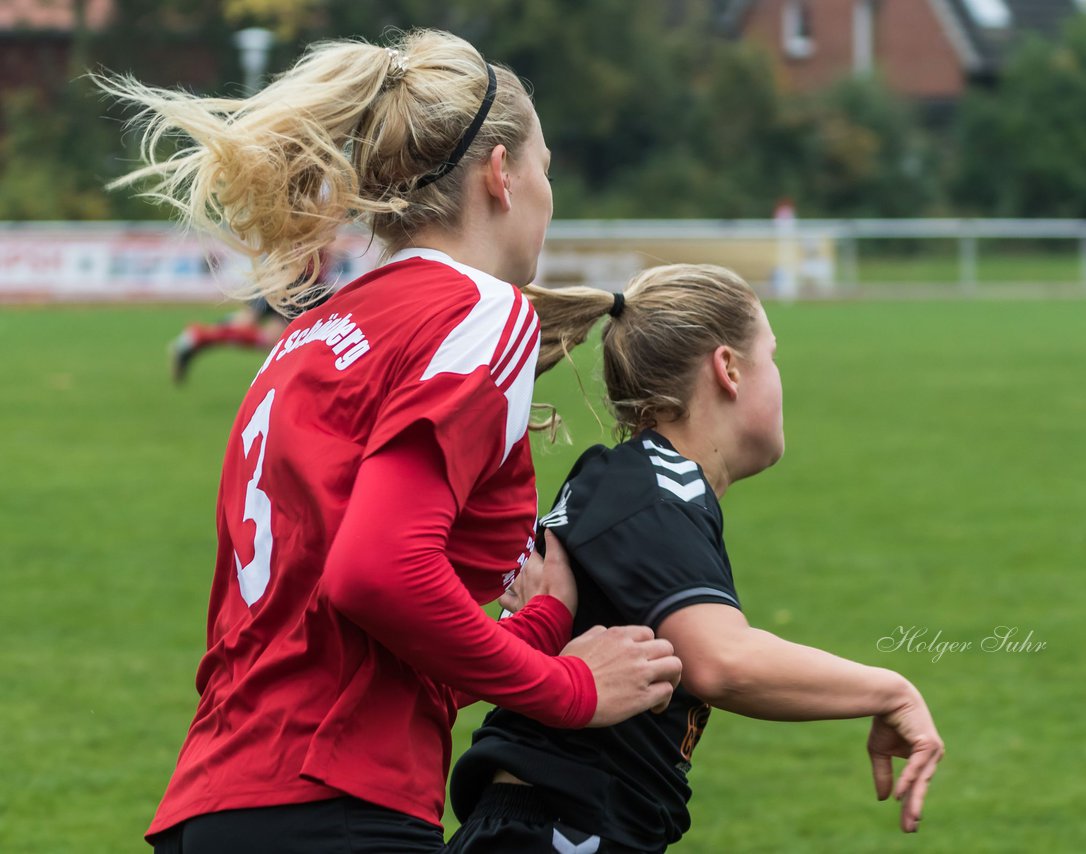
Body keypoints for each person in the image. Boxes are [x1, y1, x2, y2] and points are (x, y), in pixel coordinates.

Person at [96, 29, 681, 853]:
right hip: (336, 806)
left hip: (217, 803)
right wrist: (569, 690)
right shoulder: (484, 311)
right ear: (501, 172)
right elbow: (376, 575)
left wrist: (544, 622)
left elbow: (351, 644)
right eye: (547, 168)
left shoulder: (316, 332)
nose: (550, 196)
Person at [447, 264, 945, 852]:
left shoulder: (642, 482)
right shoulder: (649, 487)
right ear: (729, 369)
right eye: (773, 355)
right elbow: (722, 661)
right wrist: (892, 690)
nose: (780, 378)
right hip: (556, 831)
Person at [169, 247, 338, 384]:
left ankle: (196, 338)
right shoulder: (311, 223)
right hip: (288, 278)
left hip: (300, 280)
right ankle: (196, 337)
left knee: (266, 335)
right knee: (250, 325)